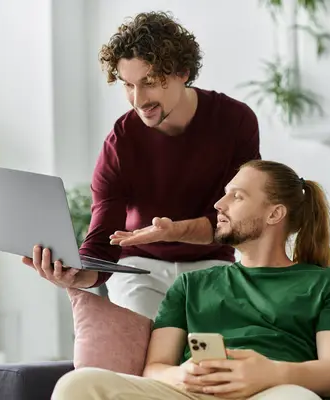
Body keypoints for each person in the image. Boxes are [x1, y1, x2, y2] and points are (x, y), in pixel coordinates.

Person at [50, 159, 330, 400]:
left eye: (237, 196)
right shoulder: (191, 286)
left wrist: (270, 372)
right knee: (78, 385)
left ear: (274, 214)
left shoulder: (328, 285)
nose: (219, 204)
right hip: (192, 393)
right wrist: (182, 375)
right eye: (224, 194)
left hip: (273, 390)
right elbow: (155, 368)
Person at [21, 11, 261, 319]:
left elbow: (238, 219)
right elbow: (104, 234)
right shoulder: (120, 142)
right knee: (144, 349)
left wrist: (173, 231)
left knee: (210, 353)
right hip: (138, 267)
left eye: (148, 82)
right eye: (127, 85)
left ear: (182, 72)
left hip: (212, 264)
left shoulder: (235, 122)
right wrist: (78, 274)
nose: (138, 99)